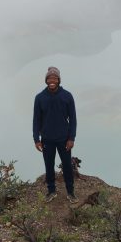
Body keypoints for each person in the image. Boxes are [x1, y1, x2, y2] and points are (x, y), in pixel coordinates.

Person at [33, 66, 77, 203]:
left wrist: (71, 138)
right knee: (49, 166)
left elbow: (73, 119)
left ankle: (70, 193)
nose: (52, 80)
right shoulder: (40, 97)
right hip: (47, 139)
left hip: (64, 139)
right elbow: (36, 120)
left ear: (58, 80)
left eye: (55, 78)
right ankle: (51, 191)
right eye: (49, 78)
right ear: (46, 80)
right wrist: (36, 139)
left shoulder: (67, 96)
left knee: (67, 166)